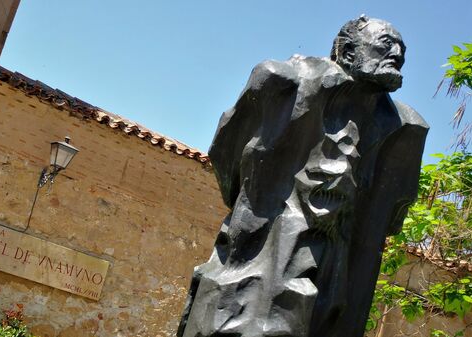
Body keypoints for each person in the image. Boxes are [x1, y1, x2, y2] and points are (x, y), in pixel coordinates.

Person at [177, 16, 428, 337]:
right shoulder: (283, 82)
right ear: (347, 52)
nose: (398, 54)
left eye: (402, 48)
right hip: (265, 243)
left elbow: (392, 212)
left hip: (337, 256)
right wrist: (264, 207)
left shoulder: (403, 129)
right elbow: (229, 158)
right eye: (386, 44)